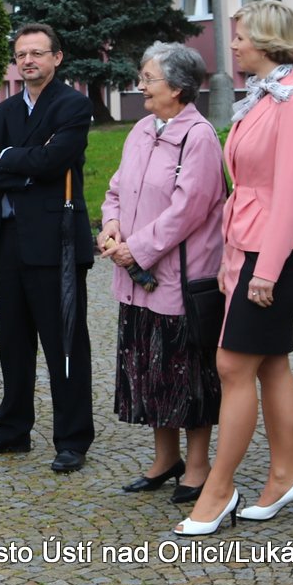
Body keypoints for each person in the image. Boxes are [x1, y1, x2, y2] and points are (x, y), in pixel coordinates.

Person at [176, 1, 293, 536]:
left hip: (279, 256)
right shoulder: (263, 98)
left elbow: (291, 196)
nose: (233, 44)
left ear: (267, 40)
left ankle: (219, 490)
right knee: (270, 364)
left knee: (233, 366)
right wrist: (231, 259)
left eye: (240, 36)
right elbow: (246, 191)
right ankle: (285, 477)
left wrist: (266, 270)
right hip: (249, 251)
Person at [98, 43, 224, 503]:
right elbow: (116, 188)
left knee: (187, 374)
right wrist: (111, 224)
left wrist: (137, 249)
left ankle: (198, 466)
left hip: (178, 279)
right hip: (137, 279)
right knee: (150, 370)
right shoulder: (141, 130)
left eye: (149, 78)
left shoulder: (199, 137)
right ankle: (165, 459)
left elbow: (188, 210)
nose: (141, 85)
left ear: (177, 87)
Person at [0, 22, 95, 472]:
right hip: (8, 244)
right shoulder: (2, 113)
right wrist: (25, 166)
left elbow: (55, 160)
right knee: (14, 344)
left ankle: (72, 439)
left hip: (56, 242)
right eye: (21, 54)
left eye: (37, 53)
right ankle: (13, 429)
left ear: (56, 58)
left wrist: (11, 160)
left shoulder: (72, 105)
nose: (28, 61)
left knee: (64, 343)